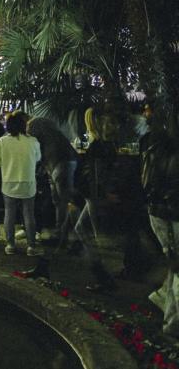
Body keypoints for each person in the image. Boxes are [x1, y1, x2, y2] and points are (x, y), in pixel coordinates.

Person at [73, 107, 117, 292]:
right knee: (83, 228)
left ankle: (104, 276)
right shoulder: (103, 144)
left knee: (95, 234)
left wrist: (99, 193)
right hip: (94, 194)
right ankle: (101, 272)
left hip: (94, 195)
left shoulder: (96, 145)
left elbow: (96, 174)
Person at [143, 109, 179, 333]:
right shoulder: (172, 154)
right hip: (172, 213)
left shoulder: (155, 147)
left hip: (158, 212)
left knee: (175, 265)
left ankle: (164, 306)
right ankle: (172, 324)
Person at [0, 112, 43, 257]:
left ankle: (10, 245)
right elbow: (38, 158)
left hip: (8, 182)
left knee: (9, 213)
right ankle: (31, 246)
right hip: (28, 182)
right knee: (29, 214)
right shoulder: (33, 141)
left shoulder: (2, 142)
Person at [27, 116, 78, 243]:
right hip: (62, 166)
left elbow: (39, 156)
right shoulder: (58, 137)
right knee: (61, 201)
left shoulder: (43, 139)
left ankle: (70, 235)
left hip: (58, 167)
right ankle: (62, 233)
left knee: (63, 201)